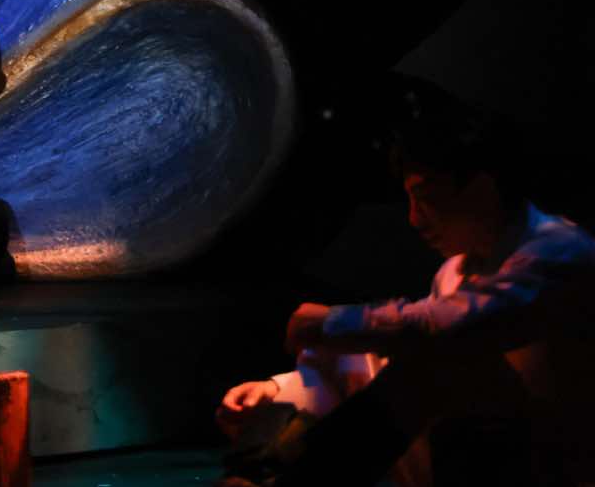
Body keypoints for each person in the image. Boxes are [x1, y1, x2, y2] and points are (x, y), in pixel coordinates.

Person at [215, 82, 595, 486]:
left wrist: (329, 323)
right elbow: (383, 364)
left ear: (481, 188)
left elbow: (454, 327)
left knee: (432, 359)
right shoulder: (455, 273)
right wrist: (280, 392)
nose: (415, 219)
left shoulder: (563, 253)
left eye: (425, 197)